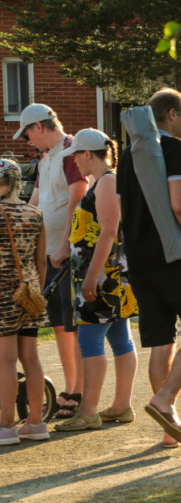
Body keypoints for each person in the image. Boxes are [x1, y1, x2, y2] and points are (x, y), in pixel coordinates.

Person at [118, 88, 181, 447]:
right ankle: (164, 399)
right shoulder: (176, 148)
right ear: (172, 114)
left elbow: (121, 209)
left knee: (162, 341)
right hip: (177, 256)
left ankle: (168, 427)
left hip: (139, 259)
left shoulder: (128, 154)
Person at [54, 129, 139, 433]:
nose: (74, 161)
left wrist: (91, 277)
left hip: (102, 276)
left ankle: (88, 410)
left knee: (90, 341)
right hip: (109, 275)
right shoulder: (106, 181)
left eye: (76, 155)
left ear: (88, 154)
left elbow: (108, 231)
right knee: (120, 338)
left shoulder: (106, 182)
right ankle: (121, 405)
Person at [14, 103, 85, 421]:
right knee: (58, 325)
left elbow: (78, 197)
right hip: (47, 254)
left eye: (27, 134)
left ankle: (79, 390)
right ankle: (70, 388)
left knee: (74, 324)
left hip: (67, 253)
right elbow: (36, 201)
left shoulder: (70, 151)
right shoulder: (45, 158)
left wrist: (65, 244)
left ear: (39, 127)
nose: (27, 140)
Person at [0, 158, 48, 445]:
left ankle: (6, 426)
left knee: (5, 360)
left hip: (3, 295)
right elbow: (41, 261)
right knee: (31, 358)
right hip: (30, 293)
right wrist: (36, 290)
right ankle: (37, 423)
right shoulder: (35, 213)